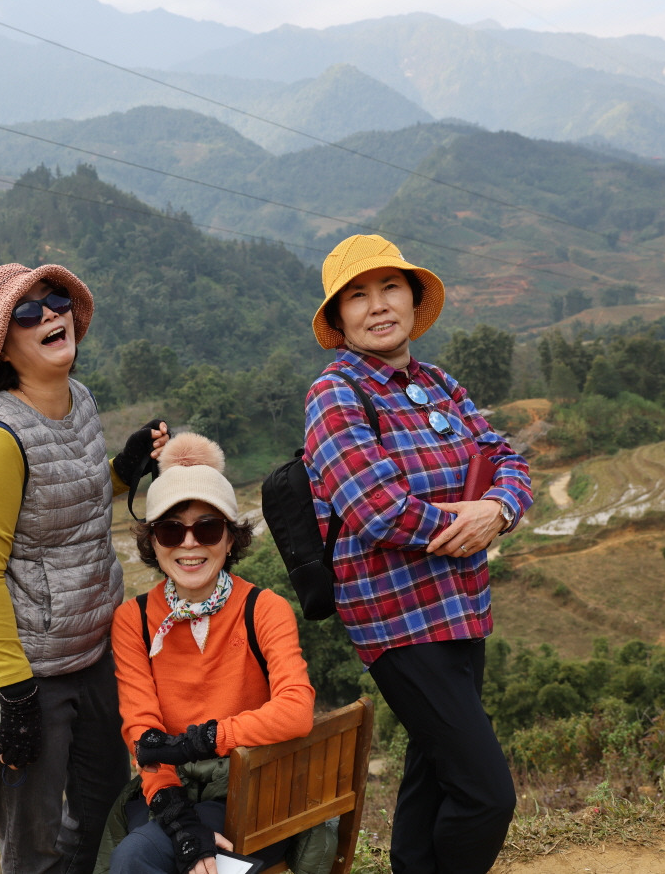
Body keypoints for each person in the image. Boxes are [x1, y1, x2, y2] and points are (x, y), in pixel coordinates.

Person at [301, 234, 533, 874]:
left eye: (390, 288)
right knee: (487, 795)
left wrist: (498, 508)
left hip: (463, 608)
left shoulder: (438, 384)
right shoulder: (335, 394)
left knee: (432, 773)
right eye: (358, 295)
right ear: (340, 317)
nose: (378, 305)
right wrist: (466, 522)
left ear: (412, 298)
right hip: (398, 621)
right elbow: (374, 507)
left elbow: (506, 460)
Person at [0, 262, 168, 874]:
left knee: (103, 804)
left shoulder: (80, 400)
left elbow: (68, 499)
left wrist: (123, 467)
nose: (50, 312)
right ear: (3, 346)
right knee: (34, 841)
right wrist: (17, 693)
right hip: (19, 668)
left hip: (90, 645)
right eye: (27, 311)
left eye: (56, 300)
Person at [105, 432, 315, 874]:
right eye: (170, 529)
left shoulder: (264, 609)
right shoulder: (133, 620)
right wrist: (181, 821)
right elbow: (143, 734)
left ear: (230, 538)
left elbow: (296, 710)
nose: (189, 544)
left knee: (137, 857)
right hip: (168, 787)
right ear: (152, 541)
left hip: (251, 788)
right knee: (140, 854)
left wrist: (200, 740)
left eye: (207, 527)